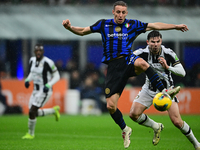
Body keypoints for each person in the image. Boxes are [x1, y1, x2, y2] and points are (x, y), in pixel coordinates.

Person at [62, 1, 189, 148]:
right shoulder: (103, 25)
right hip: (114, 68)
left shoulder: (132, 25)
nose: (121, 15)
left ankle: (164, 91)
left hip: (128, 60)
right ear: (113, 12)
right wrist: (70, 28)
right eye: (118, 12)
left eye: (123, 12)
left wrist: (175, 26)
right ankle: (126, 129)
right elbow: (83, 31)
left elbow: (155, 25)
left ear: (126, 13)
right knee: (110, 106)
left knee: (143, 63)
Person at [129, 30, 200, 150]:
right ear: (148, 42)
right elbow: (127, 59)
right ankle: (156, 126)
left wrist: (168, 67)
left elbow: (182, 72)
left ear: (161, 41)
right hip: (149, 89)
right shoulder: (141, 52)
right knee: (133, 114)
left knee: (177, 122)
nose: (155, 44)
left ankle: (196, 144)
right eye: (153, 42)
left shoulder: (168, 53)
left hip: (167, 91)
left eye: (158, 41)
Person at [22, 44, 61, 139]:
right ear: (34, 52)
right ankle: (53, 111)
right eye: (37, 51)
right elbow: (32, 72)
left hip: (45, 90)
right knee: (33, 113)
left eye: (40, 51)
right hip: (35, 90)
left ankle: (30, 134)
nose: (38, 52)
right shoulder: (32, 60)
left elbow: (57, 76)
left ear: (43, 52)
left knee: (32, 111)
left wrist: (49, 84)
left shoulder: (48, 62)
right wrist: (27, 80)